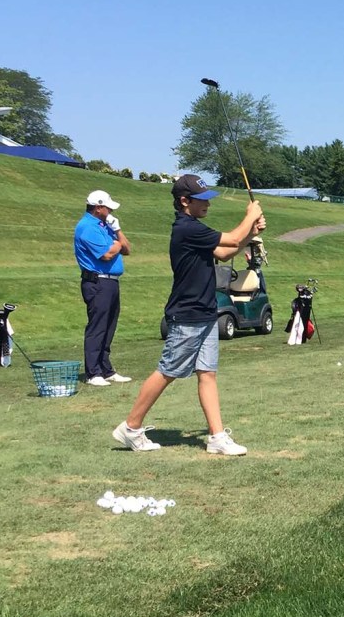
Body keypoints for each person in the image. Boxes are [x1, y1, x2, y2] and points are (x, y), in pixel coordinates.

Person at [112, 175, 265, 455]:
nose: (207, 204)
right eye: (201, 200)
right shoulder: (185, 228)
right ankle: (131, 427)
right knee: (168, 370)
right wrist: (249, 216)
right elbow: (230, 238)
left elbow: (222, 251)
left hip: (206, 310)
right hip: (188, 312)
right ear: (185, 201)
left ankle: (217, 437)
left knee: (207, 373)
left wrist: (252, 233)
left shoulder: (195, 227)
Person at [74, 189, 132, 386]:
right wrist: (116, 244)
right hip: (97, 282)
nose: (110, 211)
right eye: (107, 207)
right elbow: (107, 255)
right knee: (97, 327)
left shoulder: (104, 225)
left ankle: (106, 369)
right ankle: (93, 373)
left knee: (109, 326)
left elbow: (127, 249)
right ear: (98, 207)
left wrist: (117, 231)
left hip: (111, 281)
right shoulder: (87, 227)